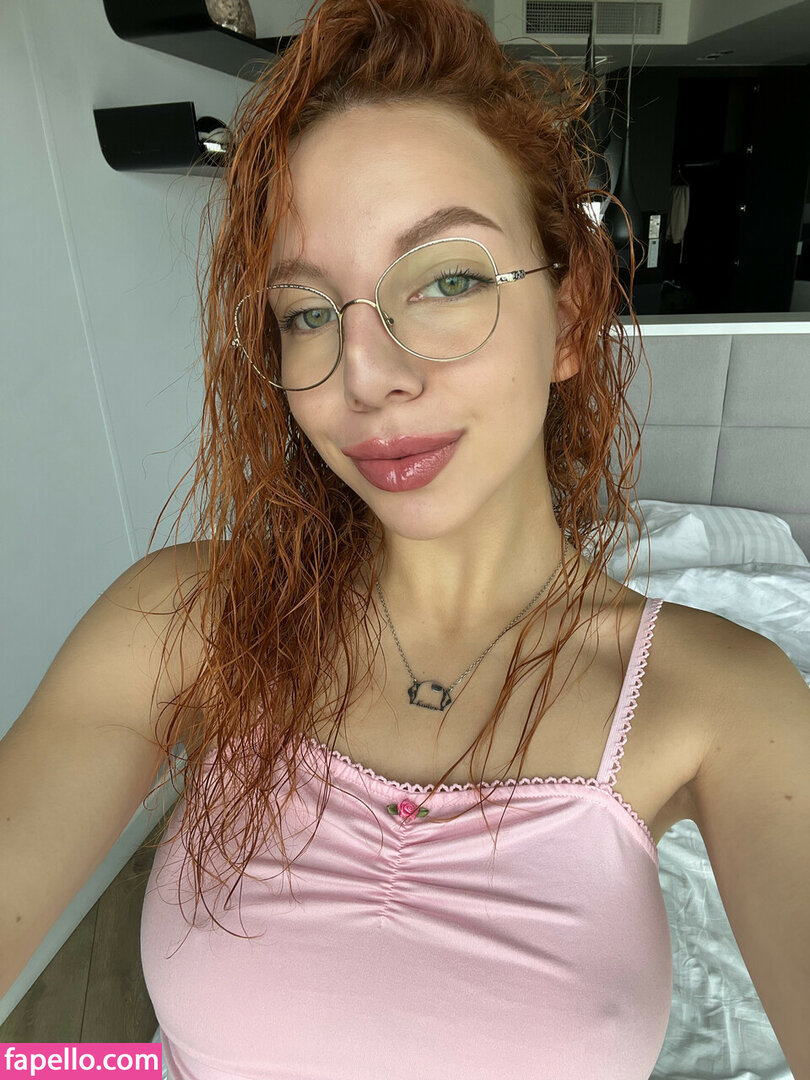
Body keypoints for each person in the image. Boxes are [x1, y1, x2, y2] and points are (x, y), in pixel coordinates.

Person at [2, 1, 807, 1077]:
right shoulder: (182, 620)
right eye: (307, 311)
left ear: (570, 317)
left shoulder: (722, 700)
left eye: (447, 281)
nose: (367, 374)